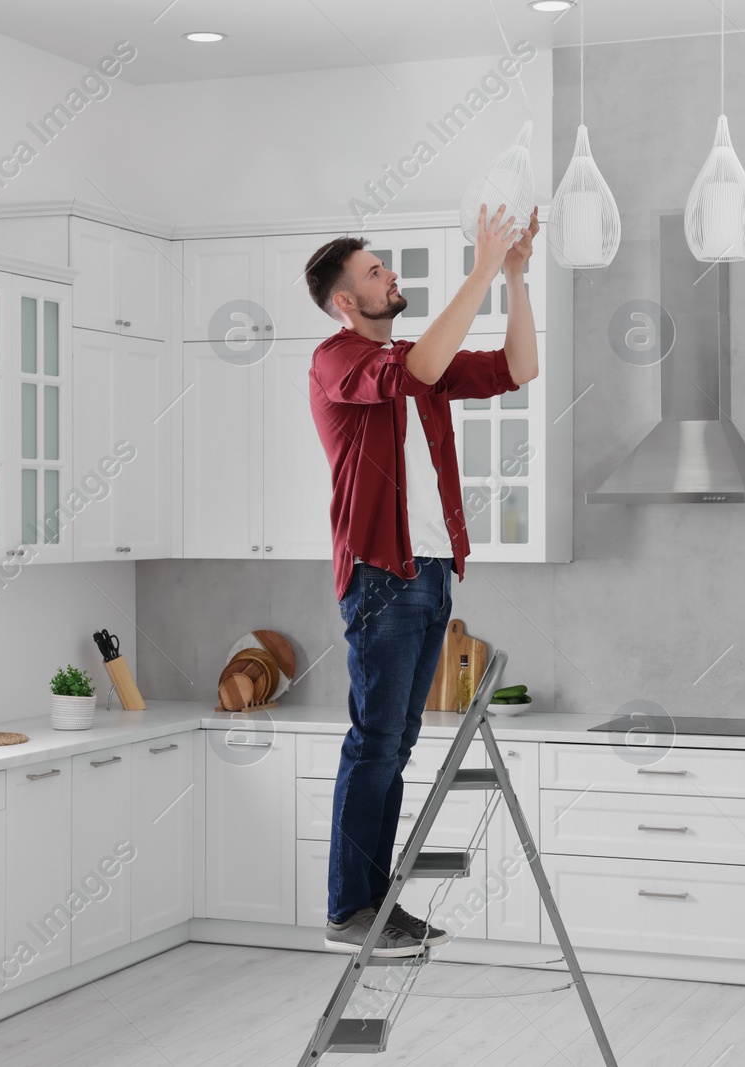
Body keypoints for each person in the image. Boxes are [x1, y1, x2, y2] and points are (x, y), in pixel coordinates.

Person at [304, 204, 539, 957]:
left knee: (395, 746)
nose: (390, 275)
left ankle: (377, 904)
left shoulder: (415, 360)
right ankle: (350, 909)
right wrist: (479, 267)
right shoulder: (338, 359)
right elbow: (416, 371)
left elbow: (517, 368)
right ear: (346, 300)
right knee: (374, 744)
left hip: (430, 576)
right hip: (381, 578)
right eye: (375, 272)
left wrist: (512, 276)